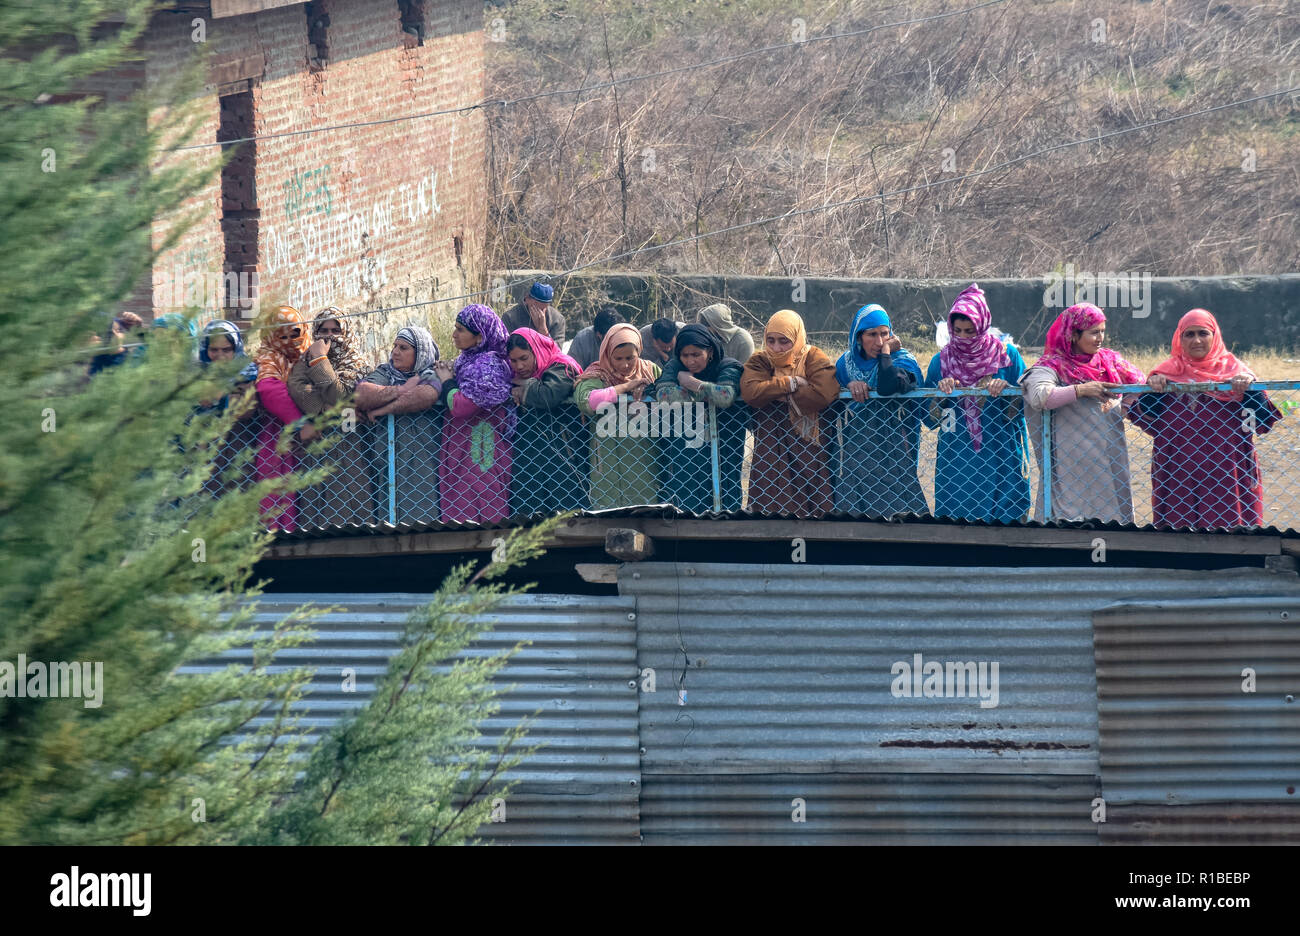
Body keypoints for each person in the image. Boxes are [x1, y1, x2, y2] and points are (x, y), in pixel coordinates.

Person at [1129, 309, 1282, 529]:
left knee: (1232, 531)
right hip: (1177, 469)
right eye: (1189, 334)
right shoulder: (1165, 374)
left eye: (1203, 333)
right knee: (1178, 531)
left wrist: (1250, 389)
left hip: (1228, 469)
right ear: (1179, 338)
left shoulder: (1236, 373)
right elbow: (1147, 418)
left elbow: (1262, 420)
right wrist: (1154, 390)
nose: (1197, 340)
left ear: (1215, 335)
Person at [1020, 303, 1145, 523]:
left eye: (1103, 331)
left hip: (1109, 454)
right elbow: (1040, 396)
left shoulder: (1110, 361)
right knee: (1066, 523)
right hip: (1069, 460)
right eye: (1093, 332)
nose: (1100, 338)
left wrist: (1124, 407)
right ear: (1074, 334)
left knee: (1112, 521)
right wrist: (1080, 390)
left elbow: (1140, 383)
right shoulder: (1053, 365)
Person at [924, 285, 1031, 522]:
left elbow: (1021, 409)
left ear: (982, 326)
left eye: (970, 331)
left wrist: (1007, 392)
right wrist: (940, 398)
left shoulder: (1006, 356)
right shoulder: (941, 362)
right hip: (957, 459)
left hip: (1002, 453)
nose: (963, 338)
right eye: (958, 331)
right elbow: (929, 418)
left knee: (1007, 524)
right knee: (956, 527)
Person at [832, 304, 929, 517]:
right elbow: (830, 397)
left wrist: (886, 353)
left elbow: (886, 387)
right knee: (854, 510)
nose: (878, 341)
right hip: (855, 446)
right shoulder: (845, 364)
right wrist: (849, 386)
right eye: (871, 334)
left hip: (894, 445)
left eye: (884, 334)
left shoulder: (903, 360)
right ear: (858, 337)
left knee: (897, 506)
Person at [740, 309, 839, 517]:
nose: (776, 348)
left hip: (806, 443)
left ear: (797, 338)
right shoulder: (761, 360)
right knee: (768, 492)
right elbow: (751, 391)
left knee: (810, 497)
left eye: (784, 341)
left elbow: (823, 392)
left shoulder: (813, 356)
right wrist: (790, 383)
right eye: (771, 340)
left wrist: (775, 392)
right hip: (770, 440)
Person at [648, 323, 746, 513]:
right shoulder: (675, 365)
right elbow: (664, 395)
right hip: (687, 439)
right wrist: (708, 393)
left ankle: (728, 530)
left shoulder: (728, 365)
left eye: (696, 355)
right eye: (685, 355)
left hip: (726, 438)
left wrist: (694, 384)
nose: (690, 361)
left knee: (726, 482)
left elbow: (725, 397)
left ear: (709, 351)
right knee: (686, 484)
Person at [353, 324, 443, 525]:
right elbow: (361, 395)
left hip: (422, 460)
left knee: (421, 518)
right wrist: (402, 389)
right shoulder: (386, 371)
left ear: (420, 352)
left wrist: (382, 409)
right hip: (387, 459)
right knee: (388, 516)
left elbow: (426, 395)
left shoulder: (432, 372)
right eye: (395, 346)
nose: (395, 352)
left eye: (404, 348)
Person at [434, 305, 516, 524]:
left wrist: (447, 381)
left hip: (481, 449)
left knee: (480, 505)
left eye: (460, 330)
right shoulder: (466, 361)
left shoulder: (489, 366)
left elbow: (461, 406)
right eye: (455, 328)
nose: (454, 335)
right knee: (459, 505)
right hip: (462, 446)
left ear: (480, 336)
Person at [573, 323, 662, 508]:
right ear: (607, 354)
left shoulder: (650, 371)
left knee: (645, 508)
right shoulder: (597, 374)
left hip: (645, 452)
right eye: (618, 358)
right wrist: (625, 387)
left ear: (639, 352)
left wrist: (648, 389)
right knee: (608, 507)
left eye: (630, 357)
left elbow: (665, 390)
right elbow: (588, 401)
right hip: (607, 453)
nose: (625, 364)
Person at [505, 328, 589, 518]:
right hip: (532, 454)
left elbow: (548, 395)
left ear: (536, 350)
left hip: (565, 450)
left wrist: (526, 389)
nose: (518, 366)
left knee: (568, 512)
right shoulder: (516, 376)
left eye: (524, 358)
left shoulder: (562, 366)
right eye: (513, 360)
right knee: (530, 514)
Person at [252, 305, 315, 532]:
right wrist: (300, 422)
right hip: (277, 435)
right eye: (282, 336)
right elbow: (269, 389)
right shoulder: (270, 357)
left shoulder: (312, 355)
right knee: (279, 494)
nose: (289, 341)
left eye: (294, 333)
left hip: (316, 435)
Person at [195, 319, 261, 499]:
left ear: (236, 349)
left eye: (226, 350)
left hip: (236, 446)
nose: (220, 355)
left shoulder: (246, 372)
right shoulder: (195, 374)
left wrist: (221, 395)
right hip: (202, 450)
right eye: (214, 350)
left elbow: (246, 409)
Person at [288, 308, 371, 415]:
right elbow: (296, 386)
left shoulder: (358, 363)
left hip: (350, 428)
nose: (329, 335)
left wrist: (320, 360)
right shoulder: (308, 358)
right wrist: (325, 408)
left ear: (346, 332)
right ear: (315, 332)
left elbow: (339, 397)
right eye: (324, 331)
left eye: (336, 331)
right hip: (319, 427)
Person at [501, 281, 566, 342]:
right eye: (535, 306)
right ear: (527, 299)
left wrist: (543, 331)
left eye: (543, 308)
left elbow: (557, 352)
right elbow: (504, 348)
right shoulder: (510, 317)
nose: (539, 313)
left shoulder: (557, 320)